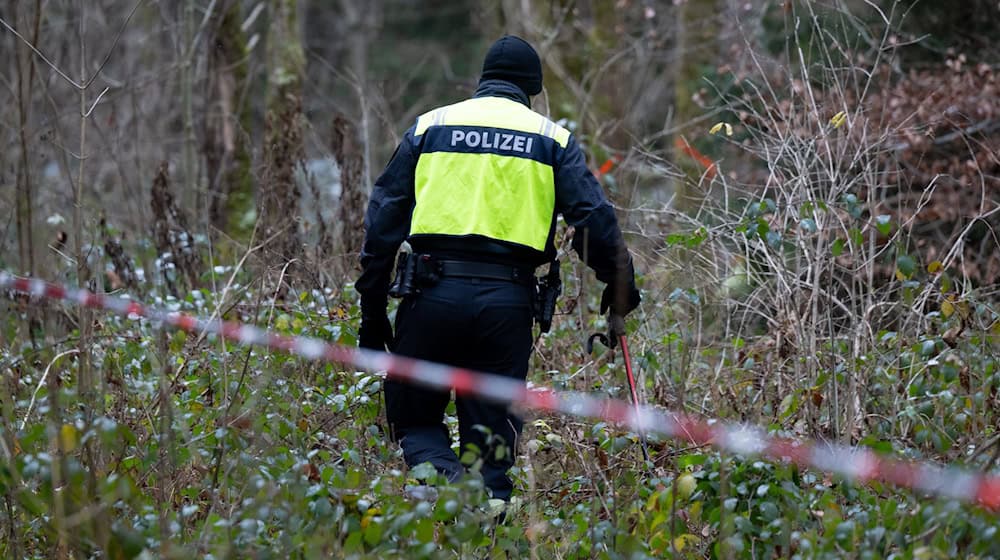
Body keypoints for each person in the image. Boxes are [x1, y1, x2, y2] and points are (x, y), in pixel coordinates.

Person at [356, 35, 640, 501]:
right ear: (533, 88)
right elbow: (593, 218)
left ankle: (445, 493)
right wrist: (620, 282)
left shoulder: (430, 127)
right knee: (491, 446)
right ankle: (484, 516)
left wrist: (372, 312)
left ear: (482, 80)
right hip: (507, 306)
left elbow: (383, 223)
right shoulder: (553, 140)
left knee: (416, 422)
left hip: (429, 298)